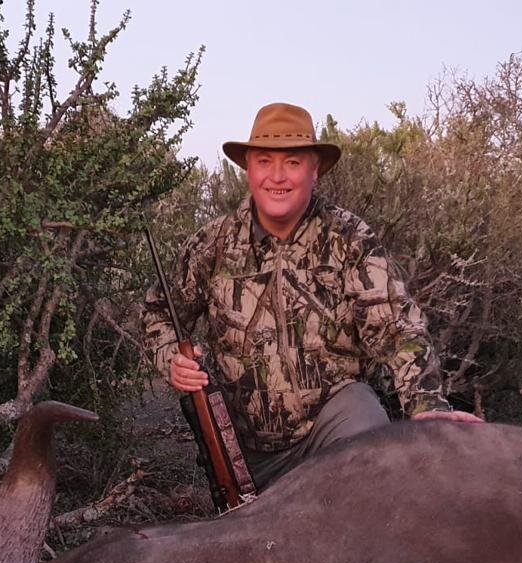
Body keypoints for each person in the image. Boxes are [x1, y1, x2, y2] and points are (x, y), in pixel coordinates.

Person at [141, 102, 481, 490]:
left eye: (293, 163)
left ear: (314, 170)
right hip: (246, 449)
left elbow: (399, 329)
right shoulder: (211, 244)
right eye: (265, 161)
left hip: (333, 432)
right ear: (248, 168)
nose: (278, 177)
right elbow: (157, 314)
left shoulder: (349, 239)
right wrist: (171, 358)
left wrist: (427, 407)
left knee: (362, 413)